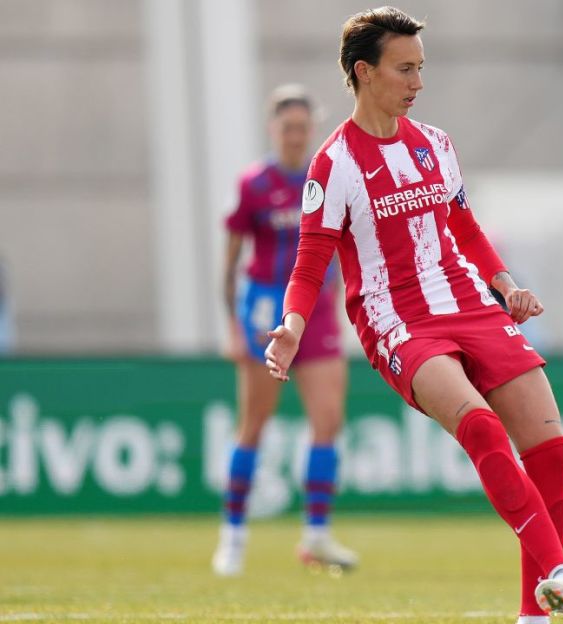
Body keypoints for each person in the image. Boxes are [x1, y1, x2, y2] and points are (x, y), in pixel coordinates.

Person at [264, 8, 563, 622]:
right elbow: (310, 265)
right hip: (397, 320)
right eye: (405, 69)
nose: (418, 82)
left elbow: (463, 226)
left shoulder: (436, 144)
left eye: (422, 68)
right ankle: (560, 571)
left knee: (551, 450)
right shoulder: (334, 164)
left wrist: (504, 284)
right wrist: (291, 327)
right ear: (365, 72)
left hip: (468, 302)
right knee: (481, 428)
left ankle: (533, 615)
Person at [212, 84, 358, 577]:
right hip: (264, 313)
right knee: (254, 423)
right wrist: (233, 327)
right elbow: (230, 264)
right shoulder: (254, 184)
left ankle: (316, 533)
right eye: (286, 128)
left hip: (317, 311)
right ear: (273, 129)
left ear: (312, 128)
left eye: (302, 128)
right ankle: (233, 534)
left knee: (329, 419)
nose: (295, 137)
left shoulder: (331, 177)